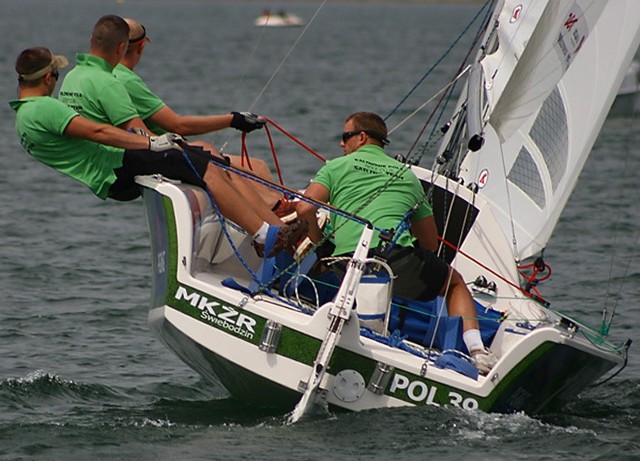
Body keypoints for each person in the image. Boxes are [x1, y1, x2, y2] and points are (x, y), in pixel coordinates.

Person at [10, 47, 307, 258]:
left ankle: (273, 227)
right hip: (115, 166)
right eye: (56, 75)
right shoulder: (44, 108)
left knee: (203, 156)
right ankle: (265, 236)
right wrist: (150, 143)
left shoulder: (23, 117)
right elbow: (97, 132)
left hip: (108, 174)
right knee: (206, 167)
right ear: (49, 78)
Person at [296, 112, 497, 373]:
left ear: (362, 137)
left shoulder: (336, 166)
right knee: (454, 283)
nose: (341, 144)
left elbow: (303, 209)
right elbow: (430, 244)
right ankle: (477, 351)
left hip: (345, 264)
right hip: (396, 264)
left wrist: (316, 236)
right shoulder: (408, 177)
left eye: (345, 137)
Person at [58, 15, 282, 214]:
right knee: (217, 162)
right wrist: (234, 119)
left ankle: (276, 214)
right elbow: (178, 126)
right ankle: (275, 218)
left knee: (257, 165)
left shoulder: (90, 75)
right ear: (140, 46)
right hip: (136, 159)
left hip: (116, 162)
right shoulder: (120, 79)